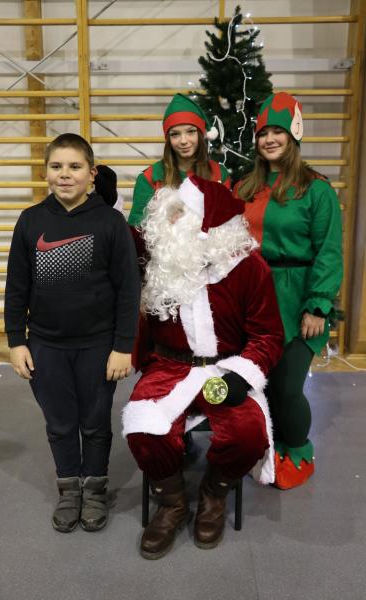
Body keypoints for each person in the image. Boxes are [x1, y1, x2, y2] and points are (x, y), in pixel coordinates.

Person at [122, 175, 284, 559]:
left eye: (181, 213)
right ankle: (173, 502)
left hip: (226, 369)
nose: (171, 221)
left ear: (210, 227)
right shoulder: (161, 257)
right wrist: (105, 207)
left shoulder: (249, 268)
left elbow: (268, 335)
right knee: (143, 427)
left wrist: (242, 377)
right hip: (169, 366)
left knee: (247, 434)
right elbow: (120, 242)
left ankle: (214, 493)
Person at [5, 133, 141, 533]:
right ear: (46, 172)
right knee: (60, 422)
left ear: (92, 174)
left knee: (95, 422)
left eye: (75, 166)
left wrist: (123, 346)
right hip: (46, 345)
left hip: (98, 345)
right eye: (56, 166)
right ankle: (69, 489)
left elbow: (128, 289)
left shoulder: (110, 223)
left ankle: (94, 489)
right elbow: (16, 287)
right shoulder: (30, 221)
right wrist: (16, 341)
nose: (65, 174)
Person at [234, 92, 343, 489]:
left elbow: (329, 250)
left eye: (278, 132)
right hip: (253, 296)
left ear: (293, 135)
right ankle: (267, 444)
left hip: (298, 297)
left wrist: (318, 304)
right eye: (264, 133)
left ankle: (297, 451)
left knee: (287, 384)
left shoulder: (316, 190)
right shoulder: (245, 188)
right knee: (259, 382)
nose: (270, 139)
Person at [127, 93, 231, 227]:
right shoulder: (149, 178)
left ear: (201, 135)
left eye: (190, 131)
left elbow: (227, 224)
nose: (183, 141)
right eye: (175, 134)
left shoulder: (219, 173)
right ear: (168, 139)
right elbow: (136, 229)